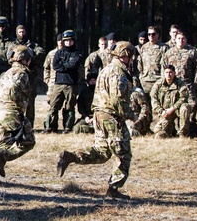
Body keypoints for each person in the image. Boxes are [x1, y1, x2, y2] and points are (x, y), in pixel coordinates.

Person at [57, 41, 138, 200]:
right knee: (123, 154)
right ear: (125, 56)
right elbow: (118, 100)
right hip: (112, 117)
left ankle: (71, 157)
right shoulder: (118, 73)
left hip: (100, 114)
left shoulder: (106, 70)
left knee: (102, 152)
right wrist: (131, 115)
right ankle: (113, 190)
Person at [0, 45, 36, 185]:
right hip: (10, 112)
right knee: (28, 141)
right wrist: (15, 105)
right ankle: (0, 158)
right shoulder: (22, 73)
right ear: (24, 60)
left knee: (3, 145)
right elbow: (12, 90)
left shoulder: (7, 73)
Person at [48, 31, 82, 133]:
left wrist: (63, 66)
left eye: (70, 41)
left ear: (73, 41)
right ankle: (51, 127)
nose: (68, 43)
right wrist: (67, 66)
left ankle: (67, 127)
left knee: (69, 107)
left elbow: (74, 65)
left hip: (71, 84)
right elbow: (55, 66)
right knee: (53, 106)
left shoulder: (77, 53)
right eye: (66, 41)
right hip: (58, 83)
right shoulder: (59, 52)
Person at [150, 64, 193, 138]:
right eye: (166, 72)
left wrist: (173, 108)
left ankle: (183, 134)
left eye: (170, 72)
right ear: (164, 73)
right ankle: (169, 132)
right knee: (158, 131)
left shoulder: (180, 84)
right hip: (164, 112)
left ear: (174, 73)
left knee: (185, 107)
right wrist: (161, 111)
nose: (168, 75)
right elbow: (154, 99)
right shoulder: (158, 84)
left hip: (176, 110)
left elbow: (183, 98)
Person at [137, 26, 167, 93]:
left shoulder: (163, 48)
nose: (151, 36)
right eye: (149, 34)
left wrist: (163, 79)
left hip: (158, 80)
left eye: (153, 34)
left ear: (157, 35)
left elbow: (165, 65)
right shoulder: (144, 48)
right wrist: (141, 77)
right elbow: (140, 64)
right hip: (145, 81)